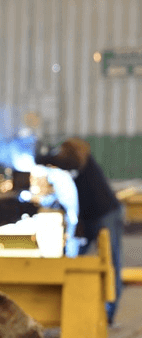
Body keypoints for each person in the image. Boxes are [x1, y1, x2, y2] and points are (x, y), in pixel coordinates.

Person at [36, 137, 124, 325]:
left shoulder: (79, 161)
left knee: (111, 263)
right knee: (71, 260)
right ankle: (64, 307)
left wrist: (37, 156)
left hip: (106, 215)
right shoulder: (77, 163)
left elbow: (60, 161)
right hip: (88, 218)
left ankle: (109, 314)